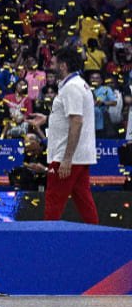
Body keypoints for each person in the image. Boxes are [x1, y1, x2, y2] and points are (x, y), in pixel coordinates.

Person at [45, 44, 99, 224]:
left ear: (63, 65)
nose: (50, 66)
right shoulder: (79, 84)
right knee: (84, 202)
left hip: (67, 156)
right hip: (79, 156)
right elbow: (69, 118)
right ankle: (98, 239)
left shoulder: (72, 88)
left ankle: (47, 243)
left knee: (53, 201)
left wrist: (66, 159)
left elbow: (77, 121)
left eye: (53, 63)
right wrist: (46, 120)